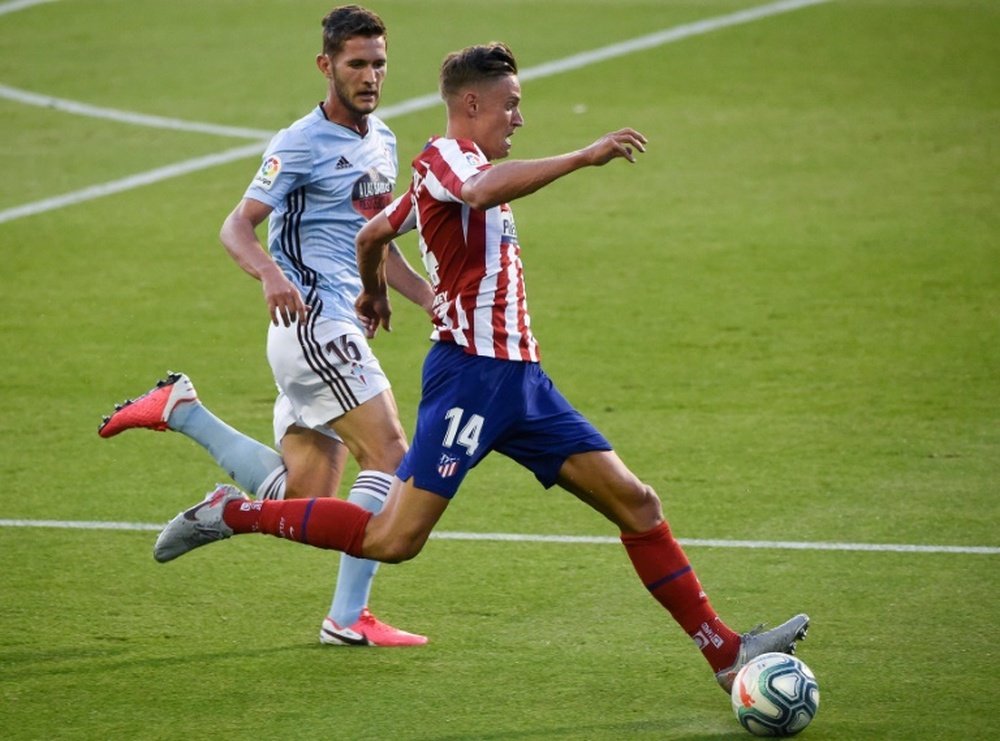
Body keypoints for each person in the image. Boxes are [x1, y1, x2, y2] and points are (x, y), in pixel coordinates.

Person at [152, 41, 808, 693]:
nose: (518, 119)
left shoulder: (438, 178)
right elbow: (476, 190)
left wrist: (375, 288)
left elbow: (372, 233)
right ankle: (233, 513)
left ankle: (725, 651)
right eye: (511, 106)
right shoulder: (445, 160)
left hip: (524, 382)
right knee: (392, 539)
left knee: (637, 502)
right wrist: (583, 156)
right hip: (469, 377)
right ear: (472, 103)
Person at [100, 5, 432, 647]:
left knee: (307, 493)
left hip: (336, 326)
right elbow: (236, 225)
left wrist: (424, 297)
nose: (369, 76)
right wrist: (270, 275)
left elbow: (374, 242)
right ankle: (346, 617)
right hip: (310, 322)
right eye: (356, 63)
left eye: (379, 64)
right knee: (391, 455)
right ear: (326, 65)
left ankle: (185, 413)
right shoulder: (299, 142)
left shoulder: (383, 140)